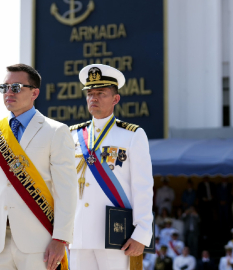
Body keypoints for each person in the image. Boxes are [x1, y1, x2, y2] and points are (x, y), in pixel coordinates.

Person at [0, 64, 77, 270]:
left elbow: (66, 190)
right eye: (4, 87)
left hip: (40, 241)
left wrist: (61, 238)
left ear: (34, 92)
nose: (9, 92)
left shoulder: (56, 131)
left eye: (16, 87)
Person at [69, 64, 154, 269]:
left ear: (115, 99)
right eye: (90, 93)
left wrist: (142, 233)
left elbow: (142, 187)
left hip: (116, 237)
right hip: (78, 236)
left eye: (101, 93)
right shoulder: (72, 135)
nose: (93, 98)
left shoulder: (132, 135)